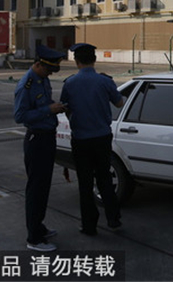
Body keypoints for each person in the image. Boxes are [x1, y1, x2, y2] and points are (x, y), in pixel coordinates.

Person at [60, 43, 125, 234]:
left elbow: (65, 107)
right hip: (102, 138)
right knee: (105, 178)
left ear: (76, 61)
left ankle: (89, 225)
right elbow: (119, 102)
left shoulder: (70, 83)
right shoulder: (104, 81)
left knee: (85, 183)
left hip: (81, 140)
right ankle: (113, 219)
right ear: (94, 60)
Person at [14, 45, 67, 252]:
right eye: (48, 70)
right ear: (38, 64)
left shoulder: (42, 79)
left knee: (43, 187)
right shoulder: (25, 86)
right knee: (36, 189)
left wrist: (55, 107)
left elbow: (44, 104)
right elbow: (20, 116)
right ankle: (34, 238)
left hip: (47, 138)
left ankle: (39, 225)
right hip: (37, 140)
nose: (49, 75)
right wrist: (48, 110)